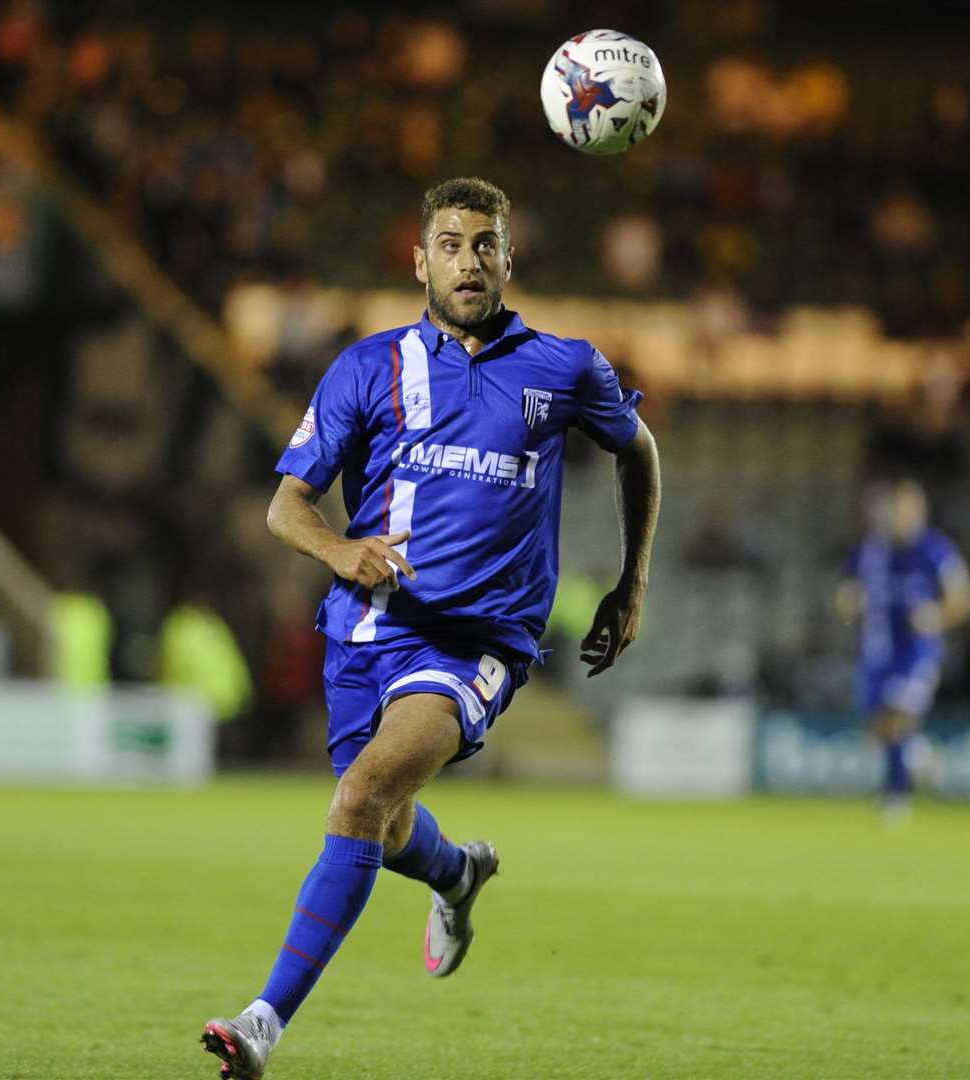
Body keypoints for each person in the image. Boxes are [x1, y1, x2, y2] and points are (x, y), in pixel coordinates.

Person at [200, 177, 660, 1079]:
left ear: (508, 259)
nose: (468, 261)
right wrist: (341, 552)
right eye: (449, 244)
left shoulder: (565, 367)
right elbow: (285, 509)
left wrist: (632, 580)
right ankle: (455, 874)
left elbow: (636, 447)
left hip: (476, 644)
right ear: (418, 260)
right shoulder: (368, 367)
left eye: (484, 244)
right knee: (379, 813)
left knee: (360, 797)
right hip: (365, 633)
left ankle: (261, 1024)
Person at [836, 478, 970, 818]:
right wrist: (849, 604)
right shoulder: (870, 550)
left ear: (921, 512)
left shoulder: (937, 551)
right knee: (877, 727)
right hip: (875, 651)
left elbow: (965, 600)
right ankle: (920, 755)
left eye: (908, 510)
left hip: (916, 652)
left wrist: (936, 616)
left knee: (898, 717)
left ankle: (896, 797)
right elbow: (843, 594)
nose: (901, 517)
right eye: (896, 510)